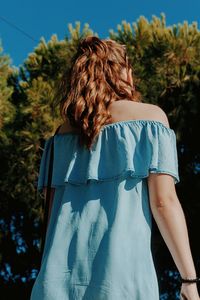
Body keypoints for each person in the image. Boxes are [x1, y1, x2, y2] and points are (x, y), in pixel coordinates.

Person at [30, 36, 200, 300]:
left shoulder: (59, 137)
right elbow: (164, 202)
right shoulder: (151, 119)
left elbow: (52, 222)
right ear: (123, 72)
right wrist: (189, 279)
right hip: (122, 282)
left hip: (54, 286)